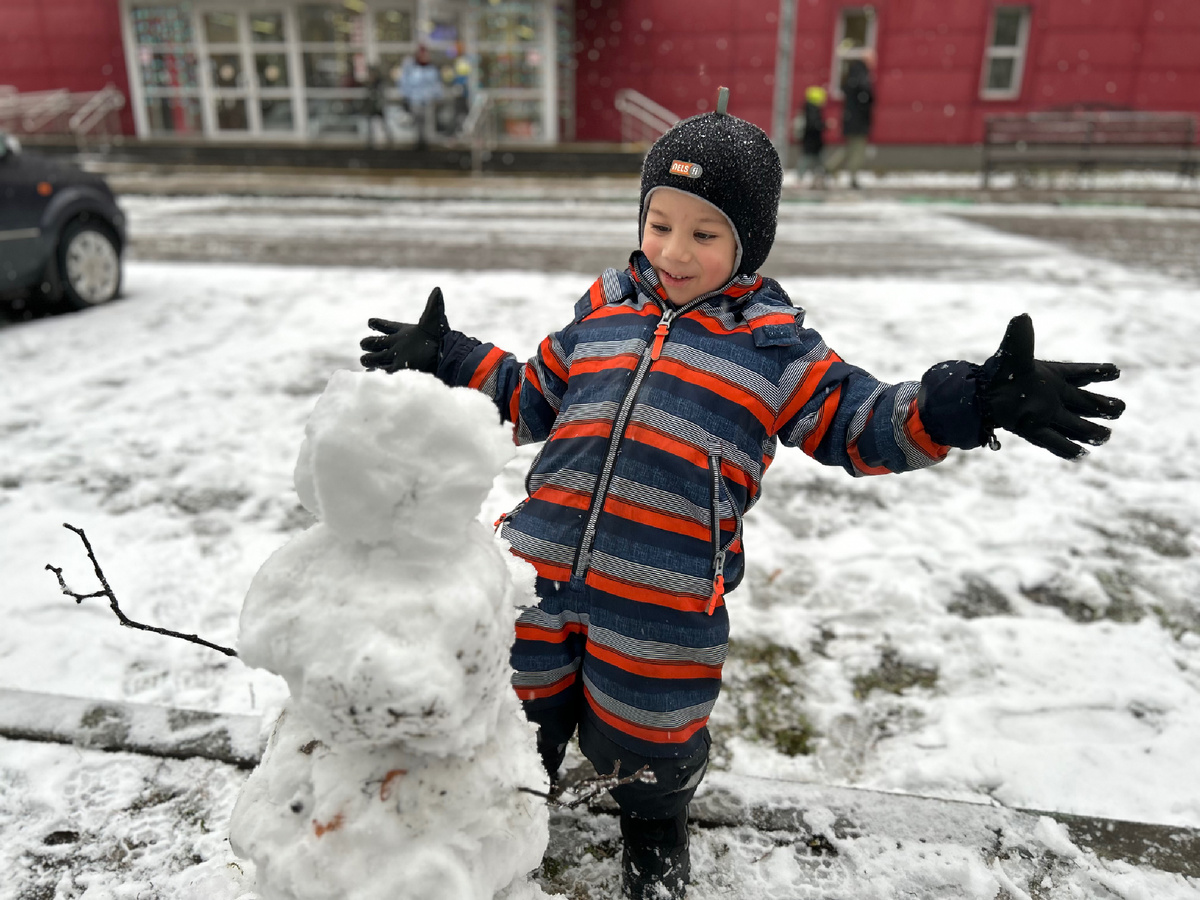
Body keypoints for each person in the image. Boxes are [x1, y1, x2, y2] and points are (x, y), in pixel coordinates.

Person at [358, 95, 1124, 899]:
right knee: (512, 729)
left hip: (665, 607)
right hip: (537, 579)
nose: (674, 251)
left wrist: (962, 403)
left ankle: (653, 847)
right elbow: (527, 397)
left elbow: (860, 422)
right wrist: (448, 355)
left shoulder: (773, 349)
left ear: (748, 244)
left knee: (647, 750)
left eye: (704, 233)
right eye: (660, 224)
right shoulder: (602, 313)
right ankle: (495, 834)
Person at [827, 48, 875, 188]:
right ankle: (852, 177)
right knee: (857, 150)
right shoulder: (862, 75)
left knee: (849, 148)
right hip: (858, 120)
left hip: (852, 119)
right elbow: (864, 98)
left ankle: (829, 168)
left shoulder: (853, 73)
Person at [398, 45, 442, 150]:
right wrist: (405, 97)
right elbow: (405, 83)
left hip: (428, 100)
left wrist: (438, 97)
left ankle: (428, 143)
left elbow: (436, 84)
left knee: (428, 122)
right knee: (418, 123)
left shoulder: (432, 69)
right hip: (415, 100)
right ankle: (419, 143)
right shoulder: (411, 69)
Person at [793, 84, 828, 187]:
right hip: (812, 140)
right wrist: (824, 125)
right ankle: (806, 177)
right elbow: (814, 124)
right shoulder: (812, 109)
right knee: (810, 159)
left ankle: (816, 178)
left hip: (810, 140)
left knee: (813, 159)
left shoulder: (807, 108)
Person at [364, 65, 391, 148]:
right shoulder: (369, 84)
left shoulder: (380, 84)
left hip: (378, 108)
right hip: (372, 108)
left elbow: (381, 96)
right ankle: (371, 142)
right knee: (371, 126)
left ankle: (388, 140)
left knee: (383, 125)